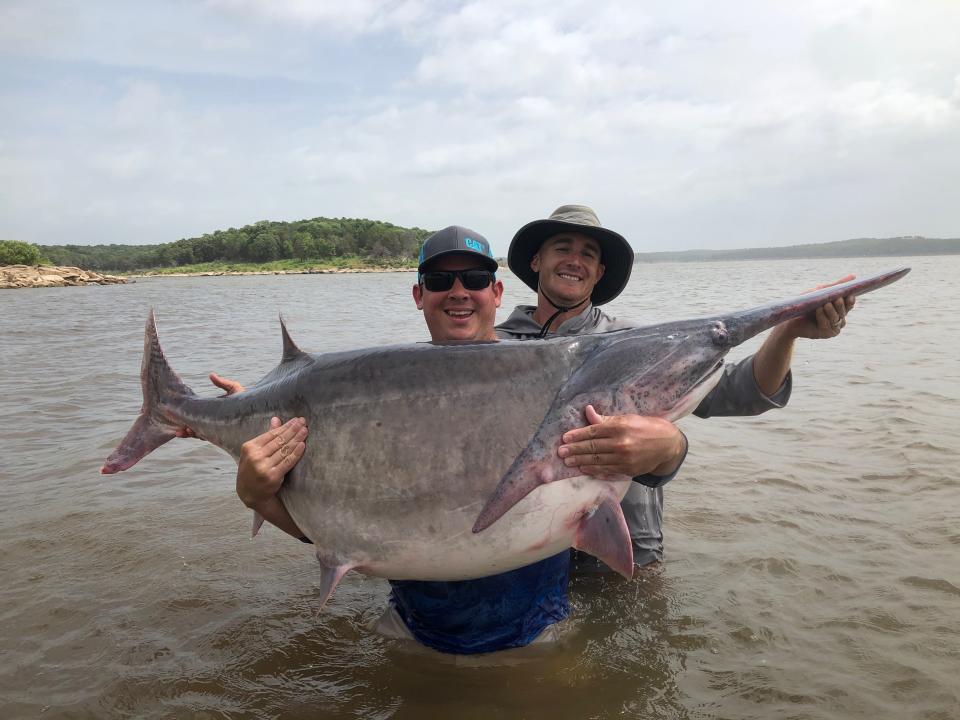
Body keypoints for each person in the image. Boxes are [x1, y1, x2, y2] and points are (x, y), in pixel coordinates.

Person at [200, 225, 688, 655]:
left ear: (497, 292)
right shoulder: (376, 392)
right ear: (418, 295)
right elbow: (326, 531)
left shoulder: (552, 378)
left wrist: (671, 449)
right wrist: (256, 493)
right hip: (408, 635)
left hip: (538, 638)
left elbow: (637, 446)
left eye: (475, 280)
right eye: (440, 281)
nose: (459, 292)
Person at [494, 204, 854, 572]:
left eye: (588, 254)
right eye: (562, 248)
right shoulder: (494, 351)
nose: (575, 260)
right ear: (536, 260)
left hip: (628, 552)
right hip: (519, 556)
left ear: (600, 272)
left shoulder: (639, 345)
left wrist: (787, 332)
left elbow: (740, 392)